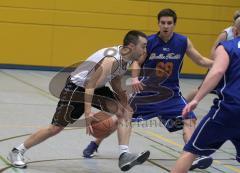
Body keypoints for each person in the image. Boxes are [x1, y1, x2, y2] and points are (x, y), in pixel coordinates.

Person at [83, 8, 213, 170]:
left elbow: (200, 60)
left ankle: (194, 155)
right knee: (121, 118)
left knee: (190, 119)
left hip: (170, 95)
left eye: (169, 23)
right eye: (163, 23)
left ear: (174, 24)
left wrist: (219, 63)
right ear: (158, 24)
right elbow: (137, 62)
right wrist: (136, 77)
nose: (166, 26)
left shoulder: (183, 42)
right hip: (146, 93)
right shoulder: (149, 42)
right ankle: (95, 143)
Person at [8, 30, 150, 172]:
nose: (145, 50)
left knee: (126, 112)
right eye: (143, 46)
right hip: (77, 88)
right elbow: (90, 84)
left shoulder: (129, 58)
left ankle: (124, 154)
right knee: (55, 128)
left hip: (96, 88)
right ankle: (17, 151)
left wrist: (122, 96)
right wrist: (88, 113)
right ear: (131, 46)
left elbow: (115, 78)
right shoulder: (111, 59)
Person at [171, 17, 240, 173]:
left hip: (228, 111)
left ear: (235, 31)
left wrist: (196, 99)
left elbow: (217, 71)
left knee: (190, 151)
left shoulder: (227, 47)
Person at [185, 9, 240, 102]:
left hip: (232, 69)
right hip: (219, 66)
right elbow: (214, 51)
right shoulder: (226, 33)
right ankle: (182, 105)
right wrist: (216, 64)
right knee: (201, 90)